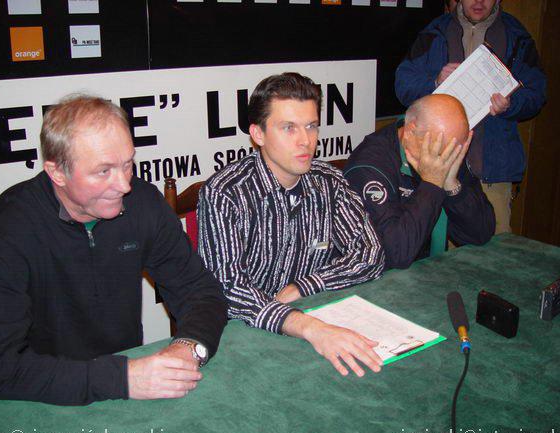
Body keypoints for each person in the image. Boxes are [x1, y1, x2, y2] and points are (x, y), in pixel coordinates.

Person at [0, 95, 228, 405]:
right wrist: (122, 378)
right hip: (43, 397)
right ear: (57, 173)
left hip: (128, 386)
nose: (124, 185)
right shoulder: (9, 227)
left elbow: (201, 292)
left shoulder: (143, 203)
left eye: (128, 164)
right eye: (103, 171)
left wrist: (189, 347)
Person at [197, 73, 385, 378]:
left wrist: (304, 286)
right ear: (258, 134)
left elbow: (370, 254)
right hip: (244, 339)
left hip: (316, 325)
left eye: (311, 126)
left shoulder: (329, 181)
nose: (305, 141)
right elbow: (228, 290)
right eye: (289, 128)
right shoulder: (225, 193)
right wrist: (306, 325)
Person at [395, 0, 546, 234]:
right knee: (438, 251)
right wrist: (434, 82)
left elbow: (537, 94)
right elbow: (403, 85)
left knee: (491, 250)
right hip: (436, 169)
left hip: (490, 175)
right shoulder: (435, 31)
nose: (479, 1)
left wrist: (511, 104)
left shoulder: (516, 36)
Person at [344, 94, 495, 269]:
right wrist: (432, 184)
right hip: (383, 277)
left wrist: (452, 186)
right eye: (442, 150)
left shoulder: (448, 146)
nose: (448, 158)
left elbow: (481, 234)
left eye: (457, 149)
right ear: (410, 131)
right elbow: (395, 255)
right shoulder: (369, 166)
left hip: (429, 269)